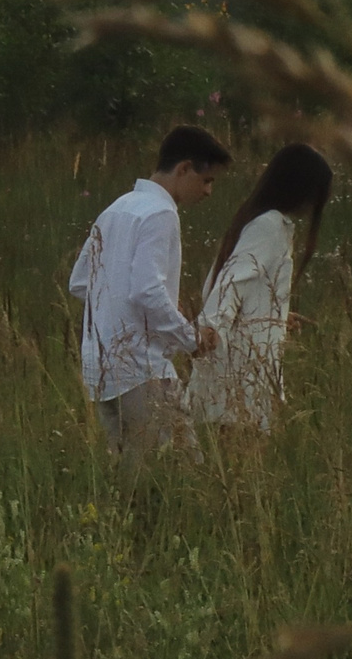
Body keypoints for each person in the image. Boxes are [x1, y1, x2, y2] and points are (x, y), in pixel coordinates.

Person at [68, 125, 230, 463]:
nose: (209, 191)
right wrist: (190, 337)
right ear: (184, 168)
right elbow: (147, 291)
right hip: (142, 369)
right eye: (206, 180)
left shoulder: (116, 208)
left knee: (129, 477)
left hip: (100, 370)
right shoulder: (161, 212)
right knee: (183, 474)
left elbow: (81, 282)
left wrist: (119, 316)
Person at [187, 143, 331, 433]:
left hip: (244, 370)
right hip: (241, 374)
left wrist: (275, 316)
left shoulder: (261, 221)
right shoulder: (269, 226)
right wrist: (209, 330)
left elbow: (237, 282)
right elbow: (231, 282)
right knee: (242, 463)